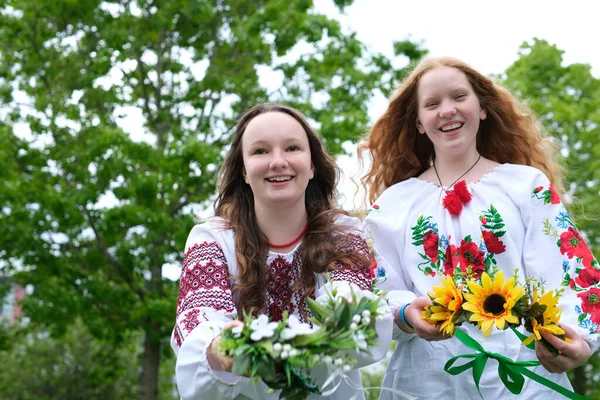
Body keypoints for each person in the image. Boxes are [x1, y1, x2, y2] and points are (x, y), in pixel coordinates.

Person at [360, 57, 599, 399]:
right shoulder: (394, 204)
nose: (447, 110)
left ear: (482, 108)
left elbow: (570, 272)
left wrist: (579, 339)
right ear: (419, 123)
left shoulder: (525, 186)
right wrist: (405, 313)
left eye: (459, 97)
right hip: (425, 380)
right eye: (432, 104)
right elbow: (376, 290)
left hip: (524, 374)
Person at [171, 103, 392, 400]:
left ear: (312, 165)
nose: (278, 161)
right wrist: (222, 347)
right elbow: (199, 321)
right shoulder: (211, 239)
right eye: (260, 151)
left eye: (292, 148)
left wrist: (319, 333)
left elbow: (354, 311)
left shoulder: (343, 232)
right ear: (244, 172)